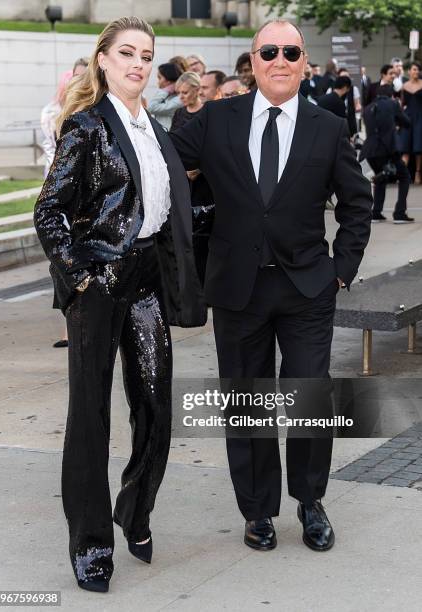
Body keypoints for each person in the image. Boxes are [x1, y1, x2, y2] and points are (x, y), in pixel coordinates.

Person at [170, 19, 372, 553]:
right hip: (237, 289)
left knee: (309, 396)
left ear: (304, 61)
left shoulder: (327, 127)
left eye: (291, 51)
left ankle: (310, 501)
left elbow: (357, 203)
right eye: (269, 51)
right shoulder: (215, 119)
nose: (280, 60)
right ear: (253, 61)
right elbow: (163, 161)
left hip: (307, 288)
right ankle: (258, 510)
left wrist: (340, 268)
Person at [34, 16, 206, 593]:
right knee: (90, 417)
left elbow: (162, 206)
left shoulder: (154, 130)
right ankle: (90, 541)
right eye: (126, 52)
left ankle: (134, 512)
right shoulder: (85, 127)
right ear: (103, 60)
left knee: (156, 407)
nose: (137, 63)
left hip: (147, 279)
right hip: (99, 282)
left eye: (146, 54)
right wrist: (81, 274)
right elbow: (48, 210)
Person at [40, 59, 89, 349]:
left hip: (86, 206)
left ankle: (81, 327)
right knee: (61, 264)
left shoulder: (95, 121)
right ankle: (71, 327)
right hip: (62, 199)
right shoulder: (61, 119)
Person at [171, 72, 214, 285]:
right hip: (183, 181)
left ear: (197, 90)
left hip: (205, 183)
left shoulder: (209, 111)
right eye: (179, 92)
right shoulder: (179, 114)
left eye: (185, 92)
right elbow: (173, 145)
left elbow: (215, 145)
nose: (182, 96)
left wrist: (199, 167)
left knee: (204, 235)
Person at [360, 85, 413, 223]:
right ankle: (400, 213)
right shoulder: (392, 104)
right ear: (391, 95)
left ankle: (376, 212)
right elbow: (406, 122)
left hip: (369, 152)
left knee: (380, 180)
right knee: (405, 176)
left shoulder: (367, 108)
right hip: (387, 149)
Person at [398, 62, 422, 184]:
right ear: (409, 72)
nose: (416, 72)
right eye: (414, 69)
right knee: (405, 146)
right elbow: (402, 104)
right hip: (408, 117)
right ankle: (403, 175)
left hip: (420, 116)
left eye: (418, 70)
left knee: (418, 147)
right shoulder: (404, 86)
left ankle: (418, 173)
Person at [147, 62, 183, 129]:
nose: (158, 82)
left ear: (168, 80)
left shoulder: (180, 99)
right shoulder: (167, 95)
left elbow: (151, 107)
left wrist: (165, 90)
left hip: (169, 136)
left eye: (160, 78)